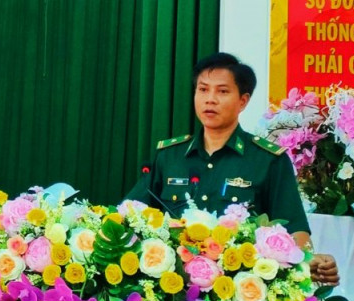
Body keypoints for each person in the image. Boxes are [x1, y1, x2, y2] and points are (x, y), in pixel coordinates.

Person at [126, 52, 340, 286]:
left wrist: (308, 261)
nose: (210, 99)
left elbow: (294, 228)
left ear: (243, 101)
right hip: (172, 288)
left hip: (241, 291)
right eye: (203, 89)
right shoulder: (169, 157)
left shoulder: (268, 160)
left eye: (222, 91)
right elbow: (130, 215)